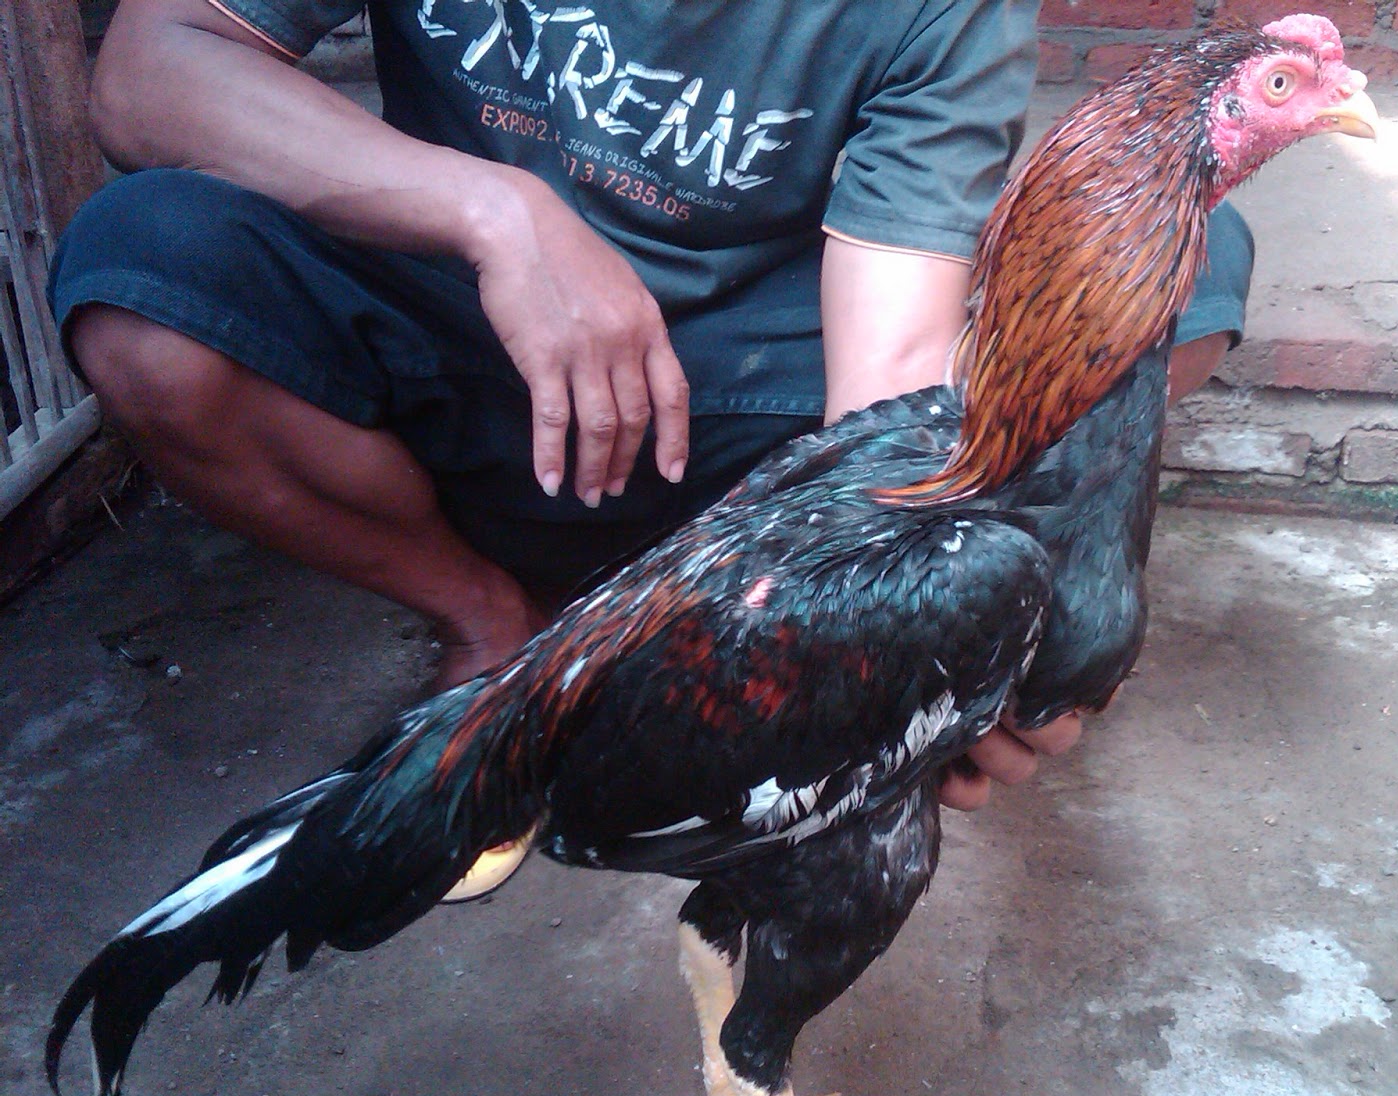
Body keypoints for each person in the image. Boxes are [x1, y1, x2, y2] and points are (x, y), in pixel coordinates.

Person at [50, 0, 1251, 892]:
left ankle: (733, 639)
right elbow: (150, 69)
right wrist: (495, 214)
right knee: (147, 272)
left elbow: (886, 369)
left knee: (1171, 280)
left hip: (747, 396)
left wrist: (904, 646)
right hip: (454, 329)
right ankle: (486, 616)